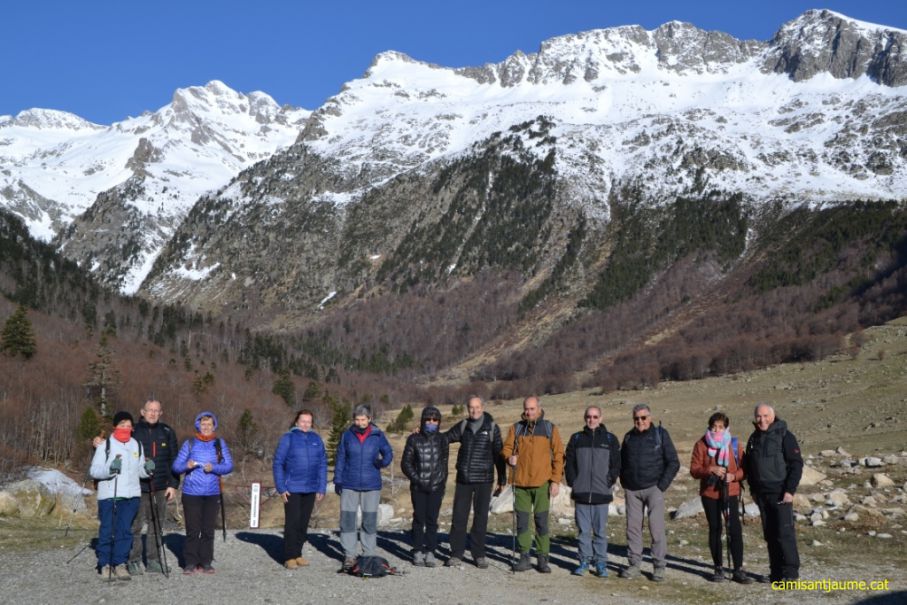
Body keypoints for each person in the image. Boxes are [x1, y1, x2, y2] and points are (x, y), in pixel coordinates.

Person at [502, 396, 565, 573]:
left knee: (541, 523)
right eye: (526, 409)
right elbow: (506, 448)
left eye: (532, 408)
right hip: (520, 484)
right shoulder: (517, 428)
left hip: (542, 484)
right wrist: (509, 457)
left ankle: (543, 558)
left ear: (539, 408)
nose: (529, 412)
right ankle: (524, 557)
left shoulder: (549, 428)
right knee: (522, 522)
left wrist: (555, 480)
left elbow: (559, 455)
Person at [690, 412, 754, 584]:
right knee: (715, 528)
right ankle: (718, 567)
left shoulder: (734, 444)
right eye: (714, 426)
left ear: (726, 428)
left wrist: (733, 477)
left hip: (731, 492)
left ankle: (738, 569)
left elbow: (745, 469)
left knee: (734, 529)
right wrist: (710, 469)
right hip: (710, 493)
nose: (717, 430)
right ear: (709, 427)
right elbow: (694, 470)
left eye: (720, 427)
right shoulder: (701, 444)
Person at [443, 396, 506, 569]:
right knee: (459, 517)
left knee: (480, 518)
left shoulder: (492, 427)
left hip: (484, 480)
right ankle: (456, 554)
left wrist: (502, 479)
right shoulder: (463, 426)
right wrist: (425, 434)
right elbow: (445, 438)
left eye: (477, 407)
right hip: (464, 479)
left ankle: (478, 554)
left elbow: (499, 455)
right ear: (467, 408)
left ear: (483, 407)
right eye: (471, 407)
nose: (474, 410)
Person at [619, 403, 679, 582]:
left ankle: (659, 566)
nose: (640, 421)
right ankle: (634, 564)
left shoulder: (661, 434)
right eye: (636, 418)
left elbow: (673, 462)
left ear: (650, 418)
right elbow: (621, 462)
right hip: (632, 490)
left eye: (643, 418)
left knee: (657, 528)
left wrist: (661, 486)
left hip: (654, 488)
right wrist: (625, 482)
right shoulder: (628, 437)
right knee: (633, 529)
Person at [744, 404, 803, 583]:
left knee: (784, 534)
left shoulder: (785, 435)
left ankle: (791, 574)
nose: (762, 420)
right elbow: (750, 467)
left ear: (773, 415)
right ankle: (776, 573)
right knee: (770, 534)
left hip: (780, 492)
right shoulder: (753, 439)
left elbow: (796, 464)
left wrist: (789, 491)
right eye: (758, 416)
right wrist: (753, 490)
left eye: (765, 416)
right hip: (762, 495)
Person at [89, 411, 151, 581]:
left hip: (131, 496)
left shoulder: (136, 445)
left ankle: (120, 563)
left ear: (132, 427)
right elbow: (94, 470)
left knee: (125, 531)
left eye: (128, 425)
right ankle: (105, 564)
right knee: (108, 530)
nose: (126, 427)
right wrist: (110, 470)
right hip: (109, 495)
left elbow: (140, 470)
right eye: (122, 424)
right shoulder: (105, 445)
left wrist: (147, 469)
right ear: (115, 426)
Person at [333, 404, 394, 571]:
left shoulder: (377, 435)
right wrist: (338, 480)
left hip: (371, 484)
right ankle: (349, 554)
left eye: (363, 419)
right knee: (348, 521)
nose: (360, 423)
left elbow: (388, 452)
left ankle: (368, 554)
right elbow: (340, 458)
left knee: (369, 521)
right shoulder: (347, 435)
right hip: (349, 483)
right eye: (357, 419)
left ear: (369, 419)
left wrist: (382, 462)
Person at [172, 411, 233, 575]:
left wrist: (214, 468)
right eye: (203, 424)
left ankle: (206, 562)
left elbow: (229, 466)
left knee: (208, 530)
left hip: (212, 493)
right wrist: (187, 465)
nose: (206, 427)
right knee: (193, 530)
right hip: (191, 493)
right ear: (198, 425)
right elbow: (176, 467)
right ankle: (190, 562)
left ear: (214, 426)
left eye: (209, 424)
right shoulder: (189, 443)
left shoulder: (220, 443)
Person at [565, 405, 620, 578]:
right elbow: (570, 463)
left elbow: (616, 464)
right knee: (583, 531)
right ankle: (584, 561)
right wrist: (574, 481)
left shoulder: (610, 439)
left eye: (595, 417)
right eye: (589, 416)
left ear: (601, 418)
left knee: (600, 532)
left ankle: (601, 563)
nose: (592, 419)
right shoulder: (576, 438)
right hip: (581, 493)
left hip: (601, 493)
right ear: (584, 418)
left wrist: (610, 479)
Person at [273, 409, 327, 569]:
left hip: (310, 487)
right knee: (292, 522)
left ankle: (298, 553)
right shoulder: (287, 438)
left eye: (308, 421)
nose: (305, 424)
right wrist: (281, 487)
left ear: (312, 423)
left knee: (303, 523)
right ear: (296, 422)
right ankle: (289, 555)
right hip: (292, 488)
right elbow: (278, 463)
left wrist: (321, 487)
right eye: (303, 421)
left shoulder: (316, 439)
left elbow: (322, 464)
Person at [401, 406, 449, 567]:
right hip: (418, 487)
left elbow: (444, 463)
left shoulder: (442, 439)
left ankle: (431, 551)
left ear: (439, 422)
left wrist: (441, 482)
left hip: (436, 487)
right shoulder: (413, 439)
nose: (431, 422)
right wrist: (417, 479)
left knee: (432, 520)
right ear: (422, 421)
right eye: (428, 419)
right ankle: (417, 550)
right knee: (419, 518)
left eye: (435, 420)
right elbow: (406, 463)